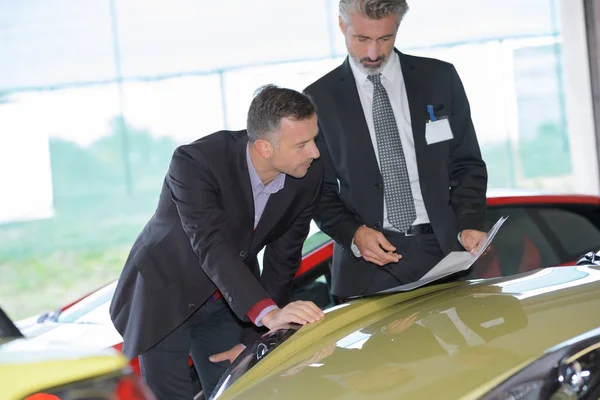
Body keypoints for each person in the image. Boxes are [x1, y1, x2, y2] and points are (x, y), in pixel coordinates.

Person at [109, 84, 326, 400]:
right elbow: (211, 243)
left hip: (228, 298)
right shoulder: (196, 162)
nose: (315, 153)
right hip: (167, 291)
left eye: (315, 139)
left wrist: (255, 335)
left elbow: (285, 258)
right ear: (265, 147)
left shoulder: (309, 173)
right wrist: (268, 313)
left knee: (241, 388)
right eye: (302, 144)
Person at [304, 0, 488, 299]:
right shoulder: (318, 99)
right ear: (342, 26)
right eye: (362, 39)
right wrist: (353, 233)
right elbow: (317, 193)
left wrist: (470, 223)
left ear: (398, 28)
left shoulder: (440, 78)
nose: (373, 53)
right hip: (367, 264)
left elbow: (467, 164)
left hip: (445, 254)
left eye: (385, 38)